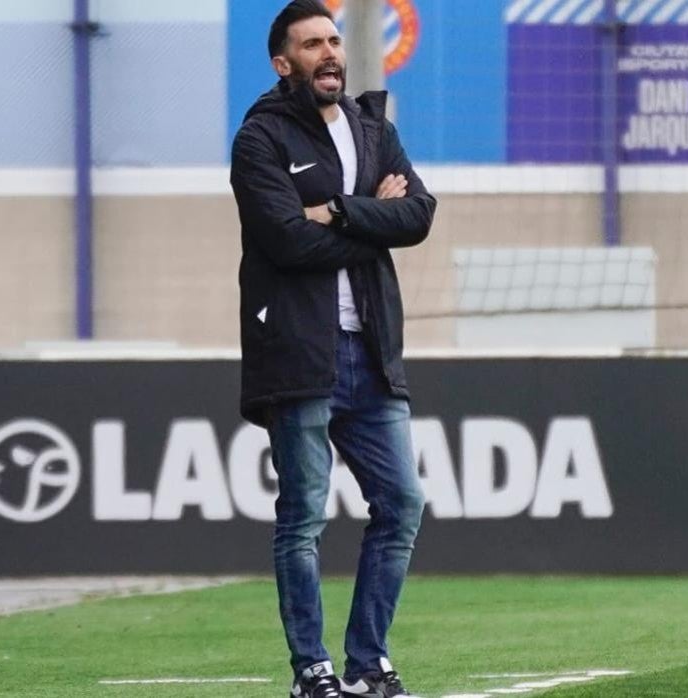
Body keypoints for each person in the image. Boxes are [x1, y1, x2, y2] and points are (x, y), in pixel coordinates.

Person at [229, 1, 437, 696]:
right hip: (298, 355)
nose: (329, 52)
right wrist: (371, 214)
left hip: (371, 353)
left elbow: (418, 215)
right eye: (311, 44)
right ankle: (310, 670)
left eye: (333, 40)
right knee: (304, 517)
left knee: (402, 503)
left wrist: (342, 209)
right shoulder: (259, 139)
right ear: (283, 62)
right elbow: (286, 240)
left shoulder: (372, 126)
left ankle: (368, 662)